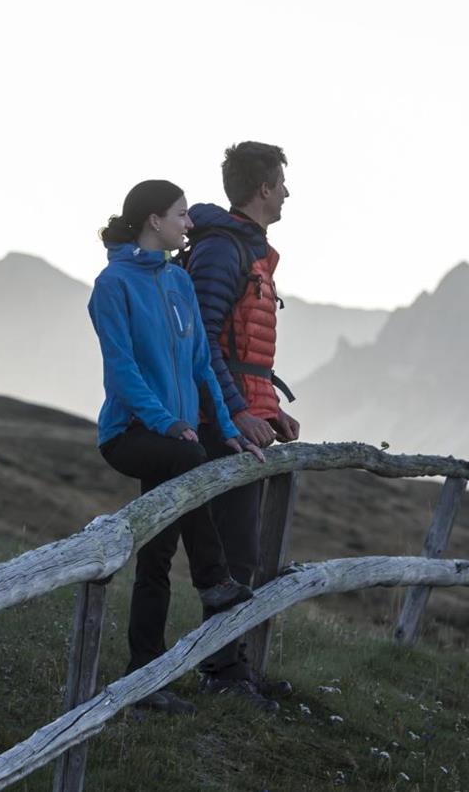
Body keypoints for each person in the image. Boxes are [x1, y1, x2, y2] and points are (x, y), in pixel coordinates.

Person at [89, 179, 267, 714]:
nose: (188, 225)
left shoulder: (177, 281)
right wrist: (167, 423)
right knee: (190, 461)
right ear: (153, 221)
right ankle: (213, 579)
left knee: (157, 557)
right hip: (131, 434)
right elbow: (121, 370)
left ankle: (142, 682)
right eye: (181, 215)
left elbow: (201, 365)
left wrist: (230, 427)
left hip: (178, 435)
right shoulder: (112, 284)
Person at [182, 141, 300, 704]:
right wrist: (234, 411)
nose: (286, 193)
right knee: (234, 552)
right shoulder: (223, 251)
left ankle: (233, 666)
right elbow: (203, 340)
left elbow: (242, 345)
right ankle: (222, 672)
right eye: (281, 183)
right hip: (217, 421)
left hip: (243, 414)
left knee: (242, 551)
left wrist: (269, 407)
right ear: (262, 188)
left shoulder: (248, 250)